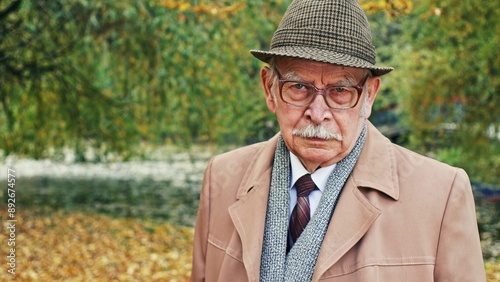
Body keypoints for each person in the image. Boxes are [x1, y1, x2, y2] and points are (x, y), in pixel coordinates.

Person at [190, 0, 486, 281]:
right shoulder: (221, 179)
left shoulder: (442, 195)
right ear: (269, 88)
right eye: (298, 87)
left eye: (341, 91)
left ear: (369, 96)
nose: (317, 114)